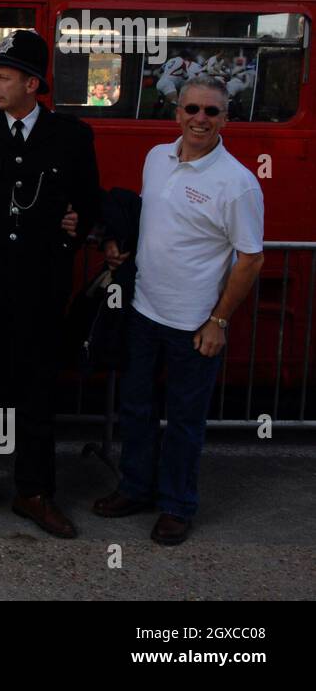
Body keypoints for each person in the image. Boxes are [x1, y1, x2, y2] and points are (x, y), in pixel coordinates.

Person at [0, 30, 102, 538]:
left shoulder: (72, 136)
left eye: (4, 77)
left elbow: (89, 201)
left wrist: (79, 224)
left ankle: (34, 492)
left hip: (39, 288)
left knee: (35, 394)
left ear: (33, 84)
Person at [93, 76, 264, 545]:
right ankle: (135, 489)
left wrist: (218, 321)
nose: (200, 119)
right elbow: (155, 222)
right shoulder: (156, 158)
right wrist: (119, 249)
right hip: (144, 312)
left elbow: (251, 259)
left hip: (195, 325)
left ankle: (176, 506)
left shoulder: (238, 183)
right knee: (136, 410)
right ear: (177, 113)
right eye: (192, 109)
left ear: (226, 119)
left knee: (185, 421)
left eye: (211, 111)